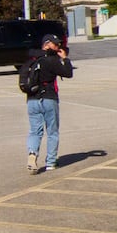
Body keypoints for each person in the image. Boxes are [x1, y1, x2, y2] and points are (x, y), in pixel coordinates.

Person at [26, 34, 74, 174]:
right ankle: (51, 162)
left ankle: (32, 154)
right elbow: (68, 73)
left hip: (32, 99)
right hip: (48, 98)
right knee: (52, 131)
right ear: (46, 44)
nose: (58, 47)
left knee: (35, 131)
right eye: (55, 44)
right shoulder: (52, 60)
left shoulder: (32, 59)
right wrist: (65, 58)